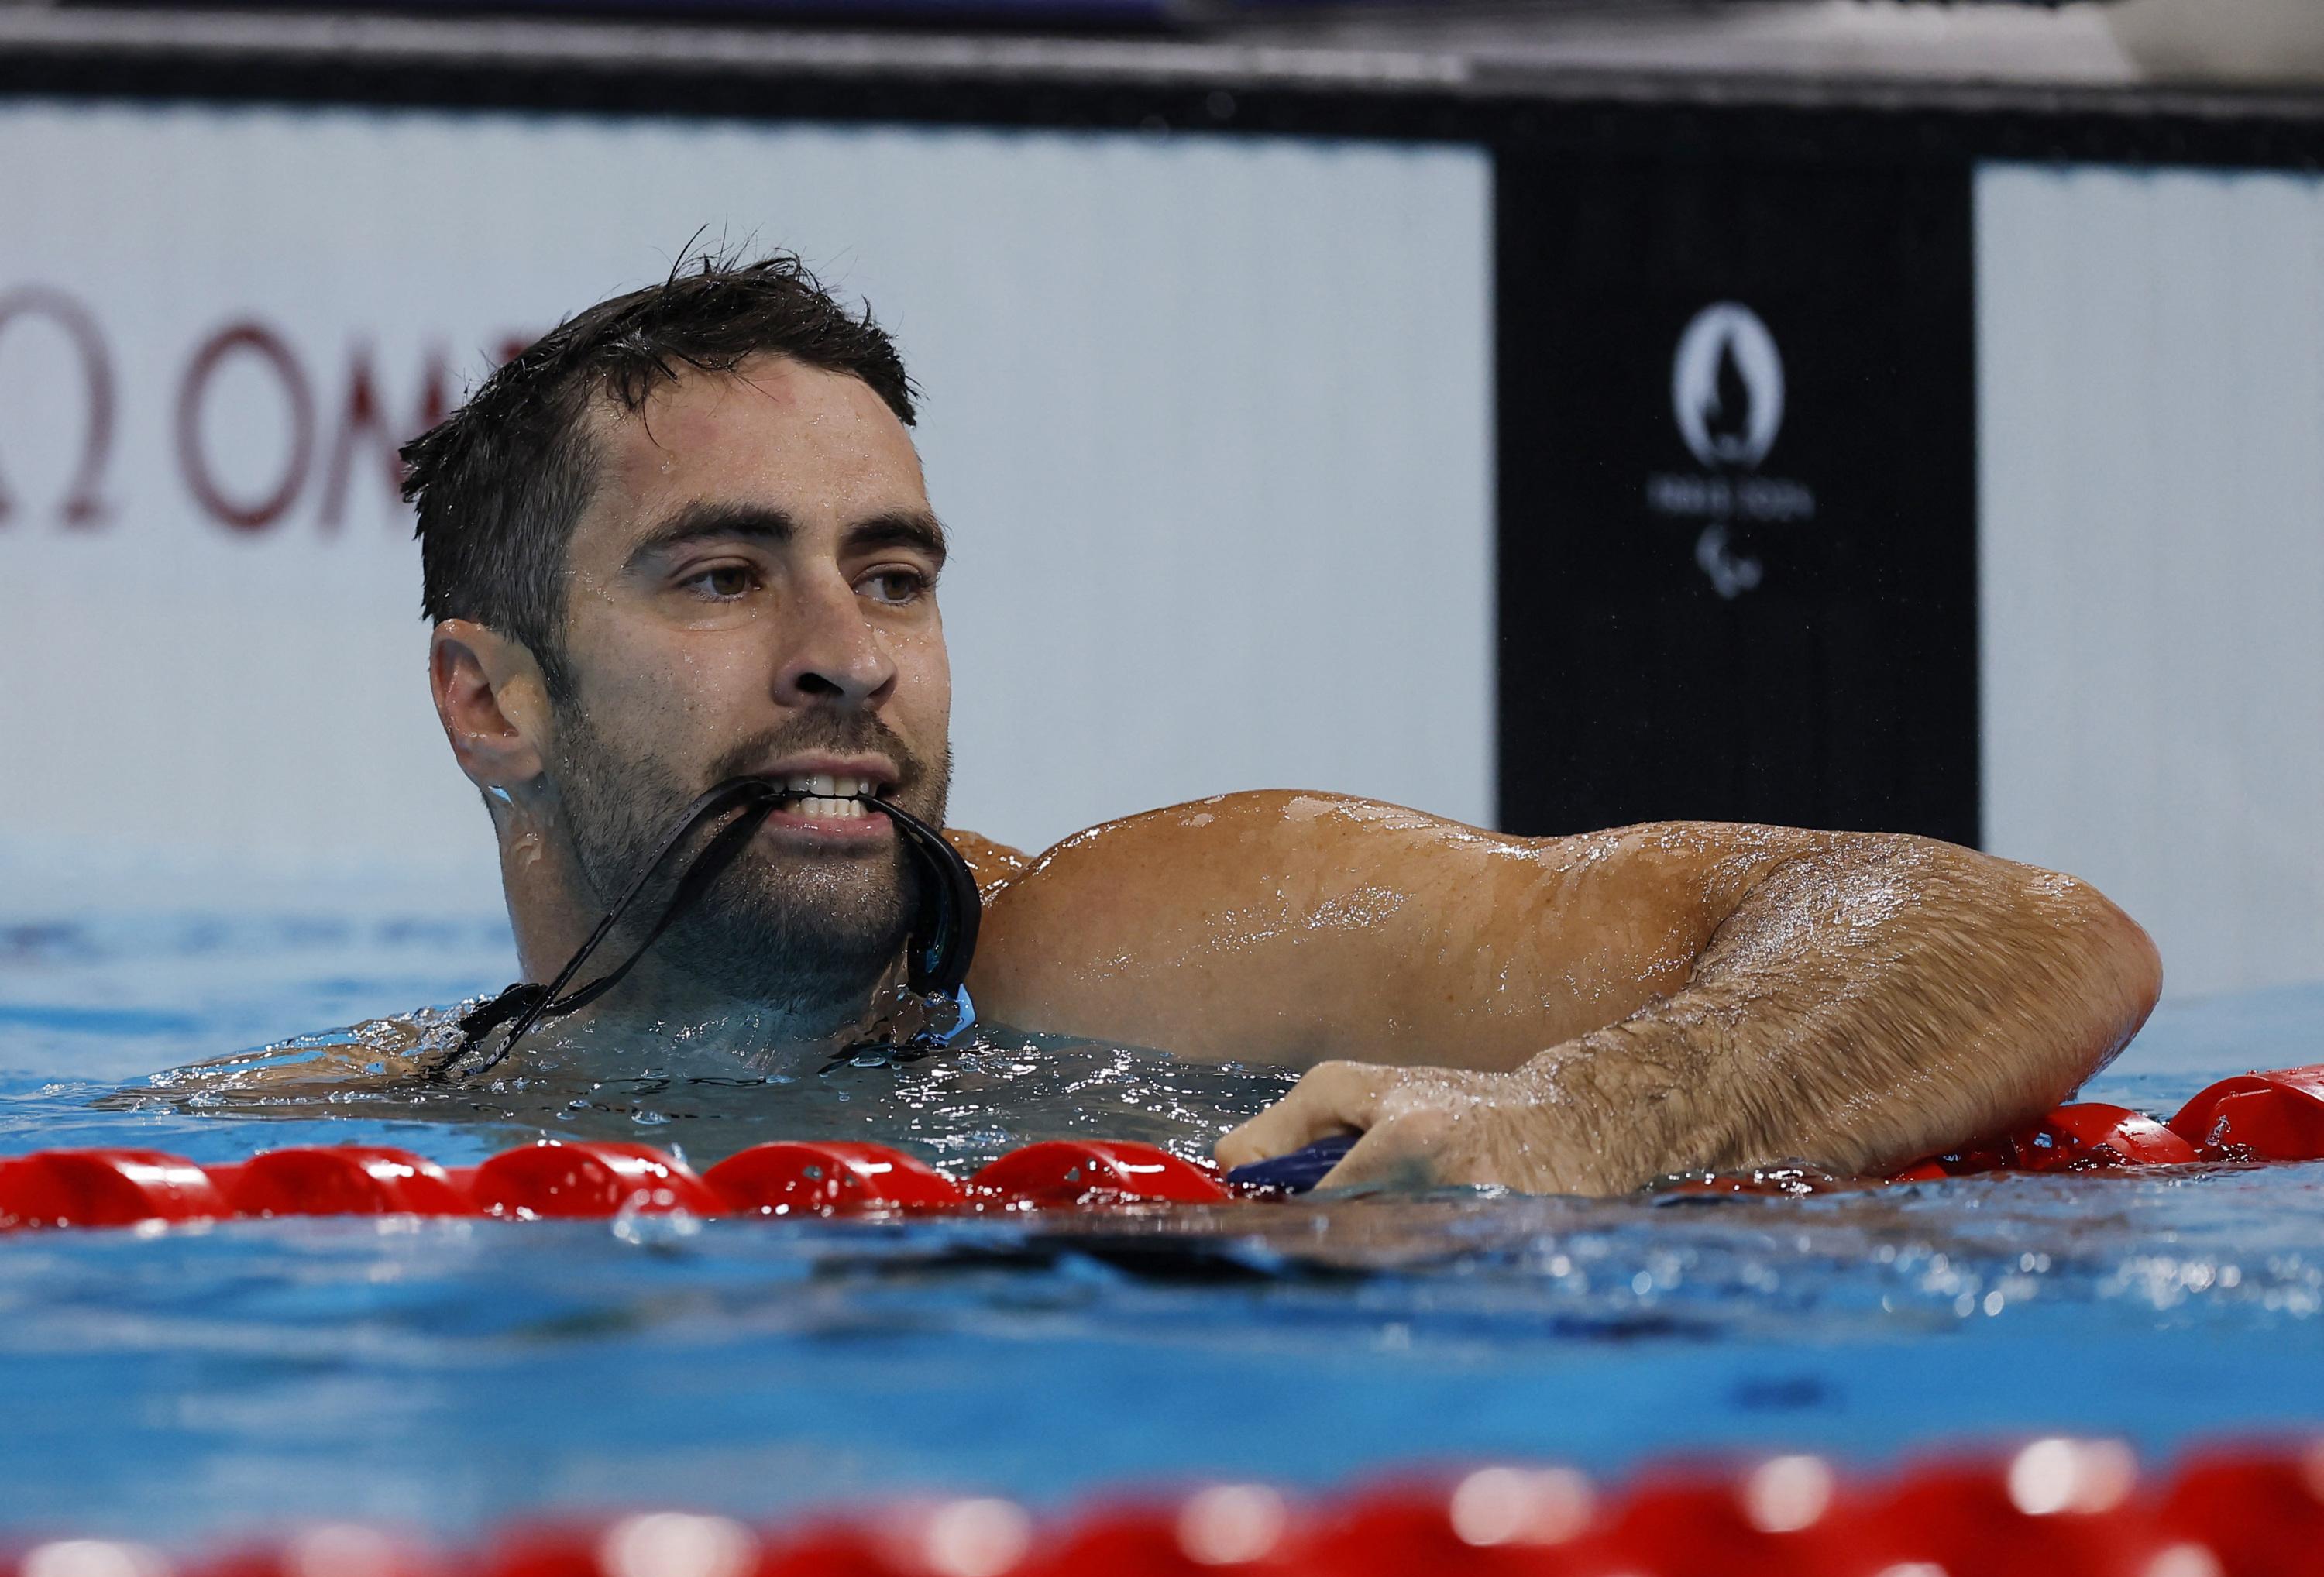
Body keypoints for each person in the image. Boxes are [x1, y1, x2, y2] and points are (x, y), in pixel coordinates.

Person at [393, 253, 2157, 1196]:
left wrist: (1592, 1113)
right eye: (723, 577)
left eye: (896, 573)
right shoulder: (388, 1117)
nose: (847, 655)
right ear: (492, 702)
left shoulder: (1139, 945)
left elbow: (2021, 930)